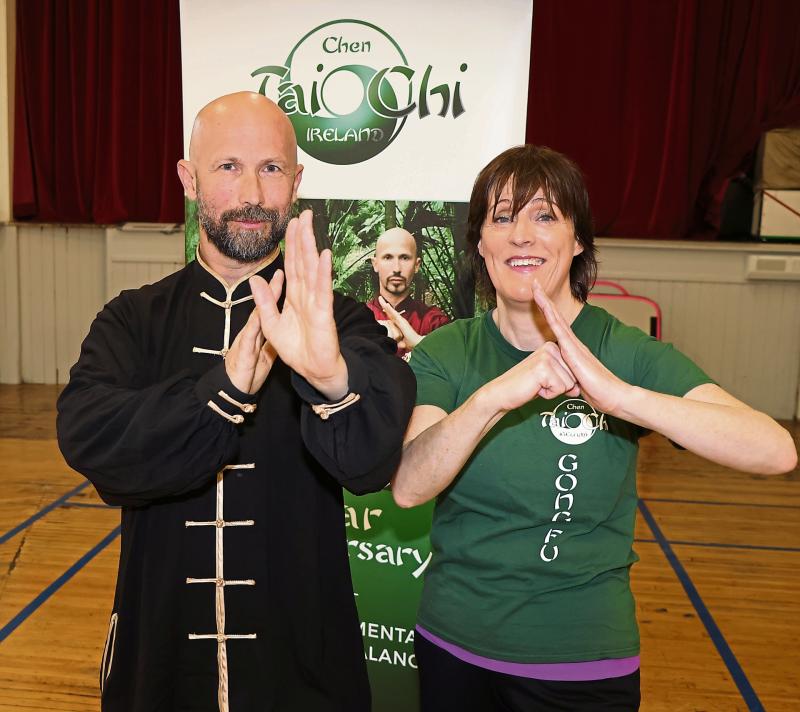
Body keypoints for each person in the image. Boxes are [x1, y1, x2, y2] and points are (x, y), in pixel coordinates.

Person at [391, 145, 797, 711]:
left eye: (544, 216)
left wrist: (621, 397)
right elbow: (409, 485)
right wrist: (492, 398)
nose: (521, 235)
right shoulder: (447, 351)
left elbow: (774, 450)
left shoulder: (622, 351)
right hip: (454, 648)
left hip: (580, 661)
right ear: (480, 244)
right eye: (502, 217)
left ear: (578, 240)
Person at [56, 92, 415, 712]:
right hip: (161, 660)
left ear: (297, 182)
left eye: (271, 168)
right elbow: (89, 437)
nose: (251, 191)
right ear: (189, 180)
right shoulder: (132, 320)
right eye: (227, 167)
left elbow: (372, 459)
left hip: (302, 667)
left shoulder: (342, 322)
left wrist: (330, 377)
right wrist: (219, 393)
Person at [365, 227, 449, 359]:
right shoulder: (358, 319)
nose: (397, 268)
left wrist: (419, 343)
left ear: (417, 265)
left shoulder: (434, 322)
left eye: (404, 258)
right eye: (388, 257)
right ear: (375, 264)